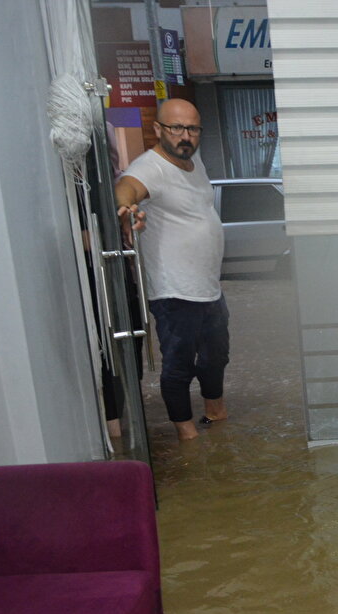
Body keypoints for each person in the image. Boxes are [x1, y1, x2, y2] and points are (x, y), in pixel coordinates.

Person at [115, 99, 228, 441]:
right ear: (158, 129)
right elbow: (127, 186)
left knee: (216, 357)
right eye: (176, 128)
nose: (185, 136)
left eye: (192, 129)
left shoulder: (194, 161)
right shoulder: (151, 167)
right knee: (179, 365)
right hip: (174, 290)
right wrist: (126, 209)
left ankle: (216, 413)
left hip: (208, 287)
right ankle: (187, 436)